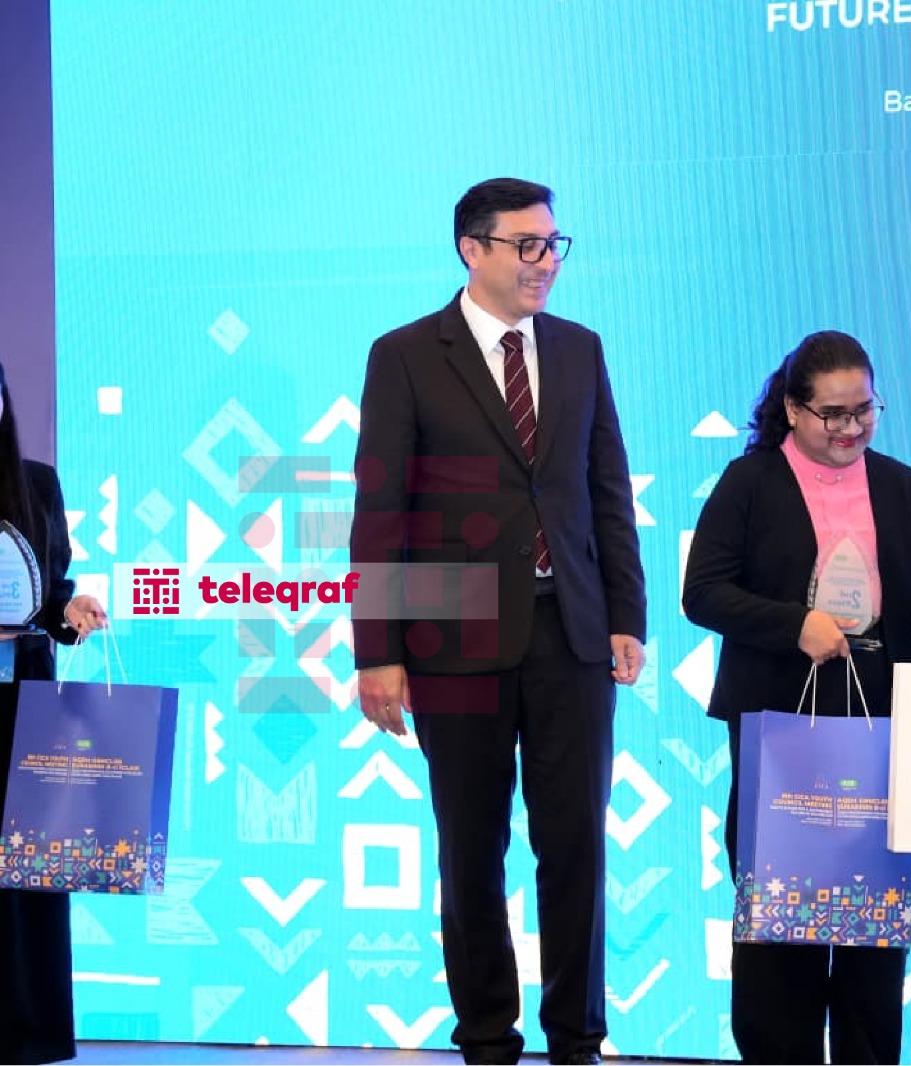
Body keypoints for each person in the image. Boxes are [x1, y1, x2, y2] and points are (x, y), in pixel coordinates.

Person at [349, 178, 646, 1066]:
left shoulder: (581, 349)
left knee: (577, 847)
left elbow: (607, 491)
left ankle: (577, 1039)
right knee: (472, 851)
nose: (545, 261)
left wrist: (625, 615)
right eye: (527, 245)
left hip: (573, 633)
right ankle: (485, 1037)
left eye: (553, 243)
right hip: (454, 637)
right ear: (471, 249)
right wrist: (378, 652)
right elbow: (381, 512)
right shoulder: (406, 355)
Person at [683, 330, 911, 1065]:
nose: (851, 428)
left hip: (884, 728)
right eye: (832, 414)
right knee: (782, 932)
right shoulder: (749, 483)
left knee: (874, 931)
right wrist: (793, 625)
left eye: (864, 411)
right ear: (792, 408)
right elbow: (702, 593)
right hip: (782, 729)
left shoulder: (898, 484)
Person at [0, 361, 111, 1065]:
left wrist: (70, 609)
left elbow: (47, 588)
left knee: (25, 869)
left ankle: (24, 1031)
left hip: (23, 700)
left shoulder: (35, 483)